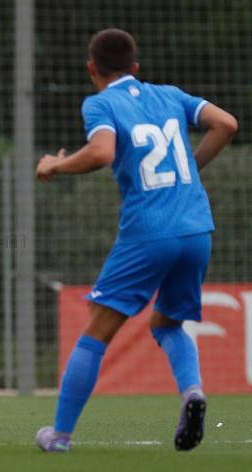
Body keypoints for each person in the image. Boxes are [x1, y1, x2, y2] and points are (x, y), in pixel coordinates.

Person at [35, 28, 238, 452]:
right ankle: (193, 393)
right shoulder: (168, 94)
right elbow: (226, 123)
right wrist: (192, 170)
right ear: (136, 68)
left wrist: (57, 165)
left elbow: (102, 153)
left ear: (92, 69)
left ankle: (60, 436)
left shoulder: (100, 103)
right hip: (197, 228)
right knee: (168, 324)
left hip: (149, 231)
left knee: (97, 329)